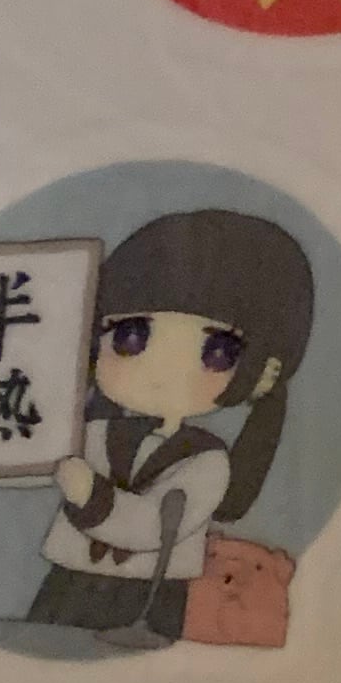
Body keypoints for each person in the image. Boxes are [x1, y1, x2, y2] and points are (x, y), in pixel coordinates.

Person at [24, 208, 315, 643]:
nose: (162, 369)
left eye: (216, 352)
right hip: (67, 582)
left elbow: (153, 526)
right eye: (131, 337)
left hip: (151, 596)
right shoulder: (97, 432)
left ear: (263, 373)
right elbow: (32, 464)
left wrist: (89, 495)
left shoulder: (207, 462)